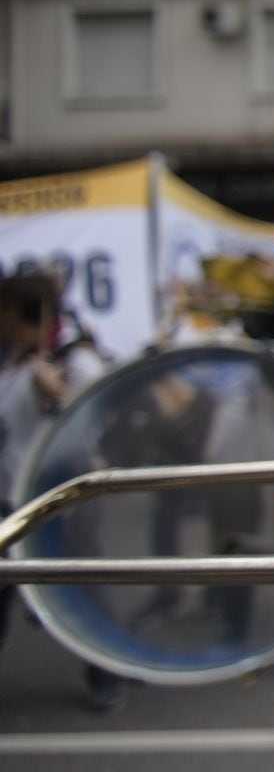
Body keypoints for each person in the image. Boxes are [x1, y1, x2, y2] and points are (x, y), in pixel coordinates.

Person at [0, 272, 120, 710]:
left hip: (60, 500)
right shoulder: (14, 362)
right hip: (10, 498)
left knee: (82, 586)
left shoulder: (73, 359)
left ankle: (107, 669)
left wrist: (59, 394)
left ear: (16, 312)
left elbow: (98, 416)